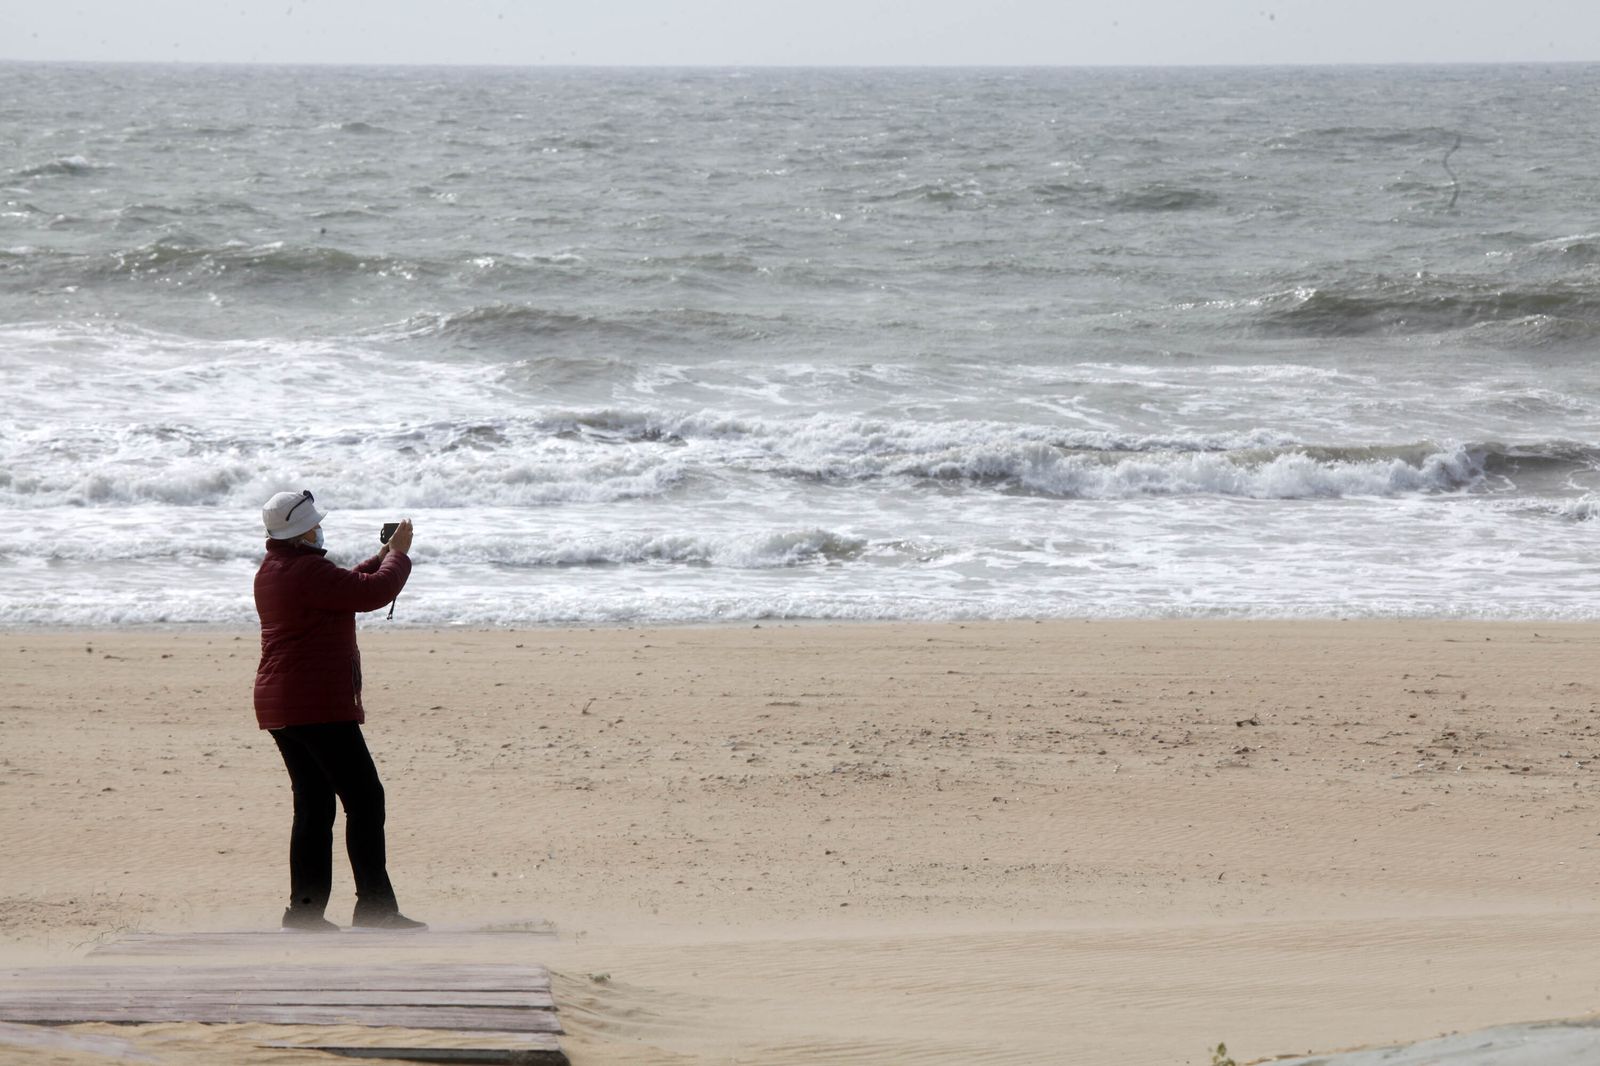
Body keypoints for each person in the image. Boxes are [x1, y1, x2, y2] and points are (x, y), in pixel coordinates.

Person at [253, 489, 426, 931]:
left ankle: (305, 914)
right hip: (316, 705)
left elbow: (346, 586)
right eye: (314, 523)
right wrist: (400, 556)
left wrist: (383, 553)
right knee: (365, 800)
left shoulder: (278, 568)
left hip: (286, 704)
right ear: (302, 531)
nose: (319, 528)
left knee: (314, 807)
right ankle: (375, 909)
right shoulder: (306, 570)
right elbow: (373, 593)